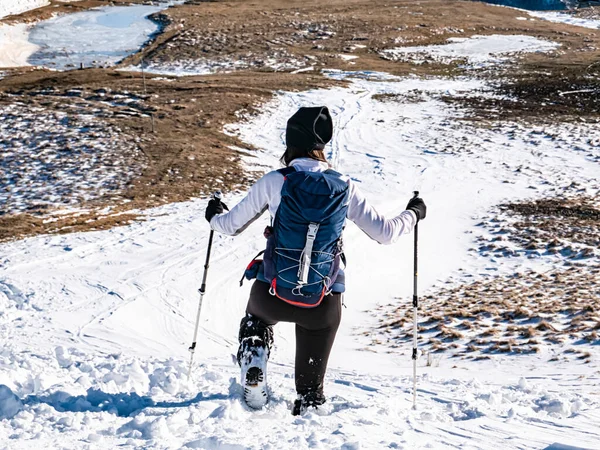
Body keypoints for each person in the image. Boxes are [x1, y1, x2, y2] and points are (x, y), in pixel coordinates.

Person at [205, 106, 426, 415]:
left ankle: (255, 353)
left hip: (272, 294)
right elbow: (385, 233)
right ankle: (309, 403)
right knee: (310, 389)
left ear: (290, 143)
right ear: (323, 144)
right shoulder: (346, 187)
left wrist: (214, 214)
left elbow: (230, 226)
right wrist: (414, 213)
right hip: (322, 304)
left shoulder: (275, 181)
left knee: (256, 322)